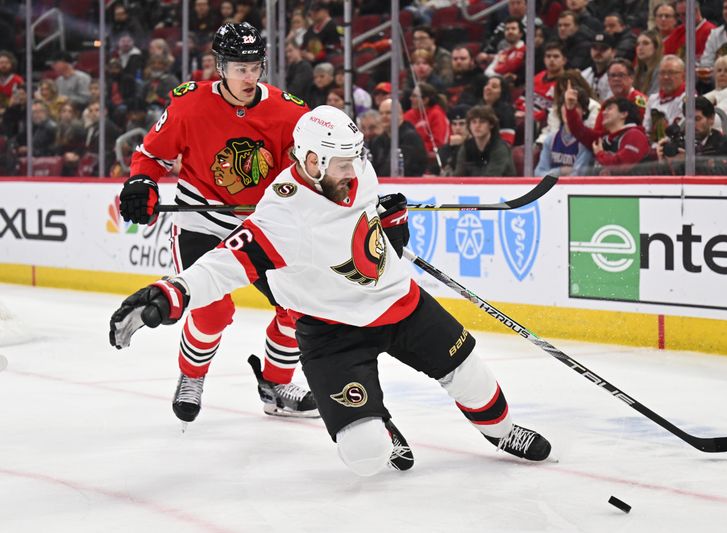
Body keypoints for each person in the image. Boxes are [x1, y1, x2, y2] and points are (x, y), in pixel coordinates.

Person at [109, 104, 552, 476]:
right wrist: (170, 293)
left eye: (357, 157)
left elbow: (369, 218)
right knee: (366, 456)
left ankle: (501, 430)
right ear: (312, 162)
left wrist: (390, 219)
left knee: (471, 374)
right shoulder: (282, 213)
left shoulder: (357, 168)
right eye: (343, 162)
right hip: (332, 333)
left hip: (401, 304)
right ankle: (377, 422)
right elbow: (225, 264)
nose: (354, 169)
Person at [117, 22, 318, 425]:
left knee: (299, 306)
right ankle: (191, 377)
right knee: (211, 310)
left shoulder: (290, 111)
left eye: (255, 66)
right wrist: (142, 183)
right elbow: (152, 156)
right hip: (202, 222)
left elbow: (304, 172)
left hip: (263, 226)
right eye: (239, 68)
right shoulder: (189, 105)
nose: (249, 76)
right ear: (220, 66)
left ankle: (275, 386)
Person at [564, 80, 650, 175]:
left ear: (624, 114)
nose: (604, 113)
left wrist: (601, 154)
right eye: (604, 109)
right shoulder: (605, 138)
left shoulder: (635, 135)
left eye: (609, 109)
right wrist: (571, 109)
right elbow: (579, 131)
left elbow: (622, 165)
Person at [656, 96, 727, 174]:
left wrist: (691, 162)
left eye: (697, 119)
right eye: (689, 119)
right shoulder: (679, 144)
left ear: (711, 119)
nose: (692, 124)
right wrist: (663, 164)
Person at [535, 87, 594, 176]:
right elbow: (538, 173)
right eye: (565, 105)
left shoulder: (586, 140)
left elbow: (577, 176)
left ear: (584, 111)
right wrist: (561, 171)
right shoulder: (551, 139)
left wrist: (551, 174)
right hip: (552, 188)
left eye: (575, 106)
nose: (568, 110)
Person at [454, 105, 516, 177]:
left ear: (491, 125)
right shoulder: (466, 147)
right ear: (469, 125)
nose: (477, 126)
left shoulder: (499, 148)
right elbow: (458, 176)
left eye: (482, 122)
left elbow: (491, 177)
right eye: (474, 122)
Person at [375, 98, 427, 176]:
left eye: (388, 113)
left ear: (400, 114)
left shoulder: (410, 138)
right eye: (381, 113)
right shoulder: (379, 140)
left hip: (408, 185)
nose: (384, 116)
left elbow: (399, 169)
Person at [642, 55, 686, 145]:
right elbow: (646, 129)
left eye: (671, 73)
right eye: (662, 73)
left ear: (683, 75)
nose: (666, 77)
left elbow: (680, 131)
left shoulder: (688, 99)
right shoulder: (652, 99)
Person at [403, 82, 449, 161]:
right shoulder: (408, 115)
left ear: (425, 100)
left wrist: (416, 150)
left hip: (431, 159)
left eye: (414, 96)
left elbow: (438, 142)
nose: (410, 98)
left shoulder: (437, 114)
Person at [484, 17, 526, 86]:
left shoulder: (526, 51)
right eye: (507, 29)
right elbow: (488, 72)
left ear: (520, 33)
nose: (510, 31)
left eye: (513, 29)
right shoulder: (502, 53)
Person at [581, 33, 614, 104]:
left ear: (613, 52)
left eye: (603, 49)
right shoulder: (584, 74)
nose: (598, 52)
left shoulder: (617, 75)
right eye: (595, 48)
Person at [632, 30, 662, 97]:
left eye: (646, 43)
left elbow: (654, 98)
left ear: (656, 47)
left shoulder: (661, 69)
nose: (640, 48)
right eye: (638, 44)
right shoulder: (637, 70)